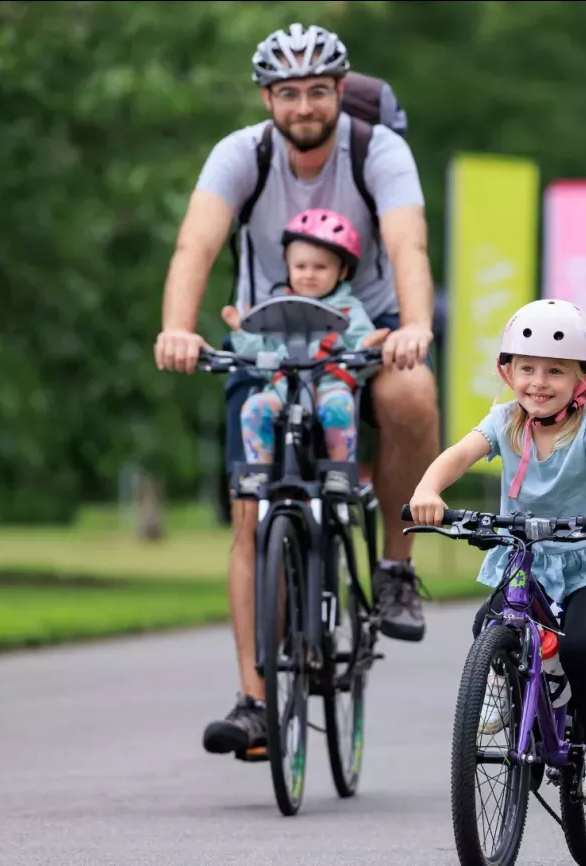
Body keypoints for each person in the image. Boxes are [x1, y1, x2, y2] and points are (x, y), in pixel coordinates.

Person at [153, 23, 441, 755]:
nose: (304, 105)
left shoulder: (378, 151)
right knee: (252, 516)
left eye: (318, 90)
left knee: (412, 394)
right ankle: (254, 700)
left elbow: (408, 243)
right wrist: (178, 329)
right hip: (266, 336)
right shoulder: (241, 154)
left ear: (341, 92)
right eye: (289, 93)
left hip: (362, 330)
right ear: (267, 98)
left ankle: (397, 567)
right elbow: (197, 243)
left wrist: (411, 326)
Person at [407, 300, 586, 799]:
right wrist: (428, 491)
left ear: (582, 377)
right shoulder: (504, 422)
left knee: (582, 644)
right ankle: (509, 697)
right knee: (489, 626)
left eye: (555, 371)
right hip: (527, 557)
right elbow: (458, 455)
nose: (538, 382)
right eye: (527, 368)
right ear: (508, 371)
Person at [222, 208, 389, 501]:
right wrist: (244, 331)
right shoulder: (276, 309)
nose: (309, 274)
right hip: (282, 390)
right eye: (301, 266)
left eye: (320, 267)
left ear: (342, 271)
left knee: (339, 405)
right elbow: (262, 354)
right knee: (254, 408)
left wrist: (368, 347)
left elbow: (361, 352)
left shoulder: (349, 310)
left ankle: (339, 471)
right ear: (288, 267)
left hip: (329, 388)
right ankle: (256, 472)